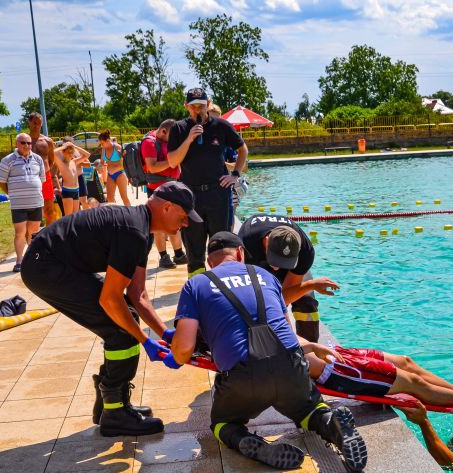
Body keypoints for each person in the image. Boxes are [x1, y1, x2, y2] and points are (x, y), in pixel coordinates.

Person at [158, 231, 368, 472]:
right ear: (239, 253)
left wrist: (174, 354)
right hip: (289, 365)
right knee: (310, 409)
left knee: (222, 423)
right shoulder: (264, 275)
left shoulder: (196, 284)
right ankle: (331, 424)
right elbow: (287, 332)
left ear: (209, 262)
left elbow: (183, 349)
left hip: (242, 375)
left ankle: (249, 442)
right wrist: (311, 347)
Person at [21, 181, 201, 437]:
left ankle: (112, 404)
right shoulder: (133, 231)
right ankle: (115, 413)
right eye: (183, 218)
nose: (184, 225)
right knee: (121, 330)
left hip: (53, 262)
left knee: (126, 320)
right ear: (168, 207)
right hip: (44, 266)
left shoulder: (143, 231)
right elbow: (110, 299)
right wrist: (144, 341)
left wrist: (164, 334)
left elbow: (137, 295)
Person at [167, 88, 248, 277]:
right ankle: (198, 288)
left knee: (222, 246)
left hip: (218, 194)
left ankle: (223, 284)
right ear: (186, 107)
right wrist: (189, 139)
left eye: (201, 106)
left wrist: (234, 174)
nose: (198, 110)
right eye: (193, 106)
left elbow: (242, 148)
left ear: (208, 104)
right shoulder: (179, 129)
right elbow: (172, 161)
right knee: (194, 250)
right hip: (191, 197)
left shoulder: (221, 126)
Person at [238, 214, 338, 342]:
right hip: (257, 261)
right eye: (275, 260)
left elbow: (283, 298)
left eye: (283, 262)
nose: (277, 268)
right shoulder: (247, 241)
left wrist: (310, 285)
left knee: (306, 300)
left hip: (288, 264)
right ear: (267, 241)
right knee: (253, 303)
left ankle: (309, 348)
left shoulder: (306, 251)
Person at [304, 344, 453, 407]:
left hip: (332, 352)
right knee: (413, 383)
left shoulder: (271, 282)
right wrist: (310, 346)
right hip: (334, 369)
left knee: (405, 361)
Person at [141, 119, 187, 269]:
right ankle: (163, 257)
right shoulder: (149, 143)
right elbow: (152, 167)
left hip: (172, 186)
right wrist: (173, 161)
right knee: (159, 224)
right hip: (157, 190)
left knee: (176, 220)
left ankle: (179, 254)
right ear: (163, 132)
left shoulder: (167, 140)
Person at [0, 133, 45, 272]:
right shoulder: (8, 160)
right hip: (18, 204)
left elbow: (41, 179)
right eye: (23, 143)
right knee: (20, 233)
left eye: (29, 143)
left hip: (36, 202)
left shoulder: (37, 159)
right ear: (17, 144)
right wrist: (11, 193)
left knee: (34, 232)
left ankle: (33, 259)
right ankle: (19, 261)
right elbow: (1, 181)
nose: (27, 146)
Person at [54, 142, 90, 216]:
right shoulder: (61, 163)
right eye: (68, 152)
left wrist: (74, 146)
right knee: (69, 216)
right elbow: (53, 152)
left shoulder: (74, 161)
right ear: (63, 152)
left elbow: (87, 155)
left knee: (75, 215)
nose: (70, 154)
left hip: (76, 190)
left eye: (72, 152)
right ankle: (68, 228)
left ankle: (75, 228)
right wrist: (64, 147)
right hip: (67, 190)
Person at [99, 129, 130, 206]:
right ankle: (114, 215)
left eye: (102, 143)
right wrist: (100, 166)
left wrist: (115, 169)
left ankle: (131, 214)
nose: (101, 145)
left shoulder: (117, 147)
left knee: (124, 197)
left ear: (108, 140)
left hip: (120, 173)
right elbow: (102, 162)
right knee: (110, 198)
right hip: (110, 175)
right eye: (101, 143)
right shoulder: (104, 149)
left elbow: (125, 164)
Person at [33, 137, 61, 225]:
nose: (36, 124)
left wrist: (51, 174)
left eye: (38, 122)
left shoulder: (47, 141)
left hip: (46, 176)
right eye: (34, 122)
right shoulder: (25, 140)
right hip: (32, 177)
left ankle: (49, 234)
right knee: (32, 210)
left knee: (49, 211)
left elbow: (53, 160)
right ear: (28, 123)